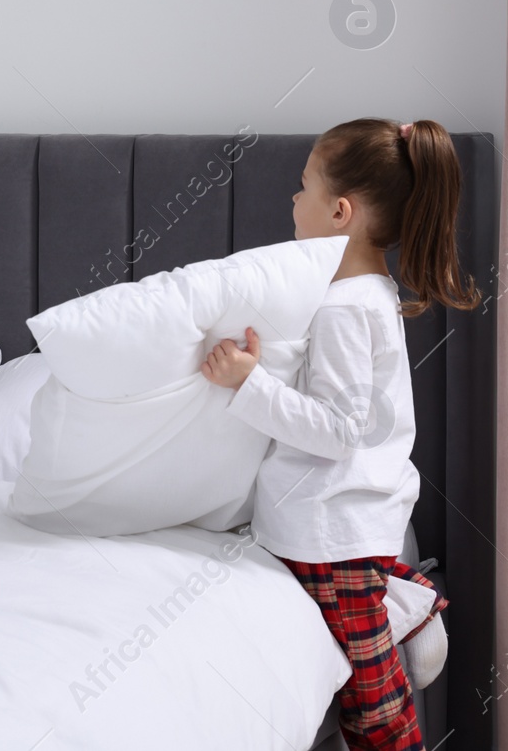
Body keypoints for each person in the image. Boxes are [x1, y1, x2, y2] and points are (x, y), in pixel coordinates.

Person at [200, 118, 480, 751]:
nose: (293, 201)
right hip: (336, 529)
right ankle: (406, 602)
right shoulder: (363, 292)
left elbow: (339, 429)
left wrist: (249, 384)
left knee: (373, 707)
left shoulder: (344, 309)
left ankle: (404, 613)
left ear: (339, 211)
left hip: (332, 538)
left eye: (303, 187)